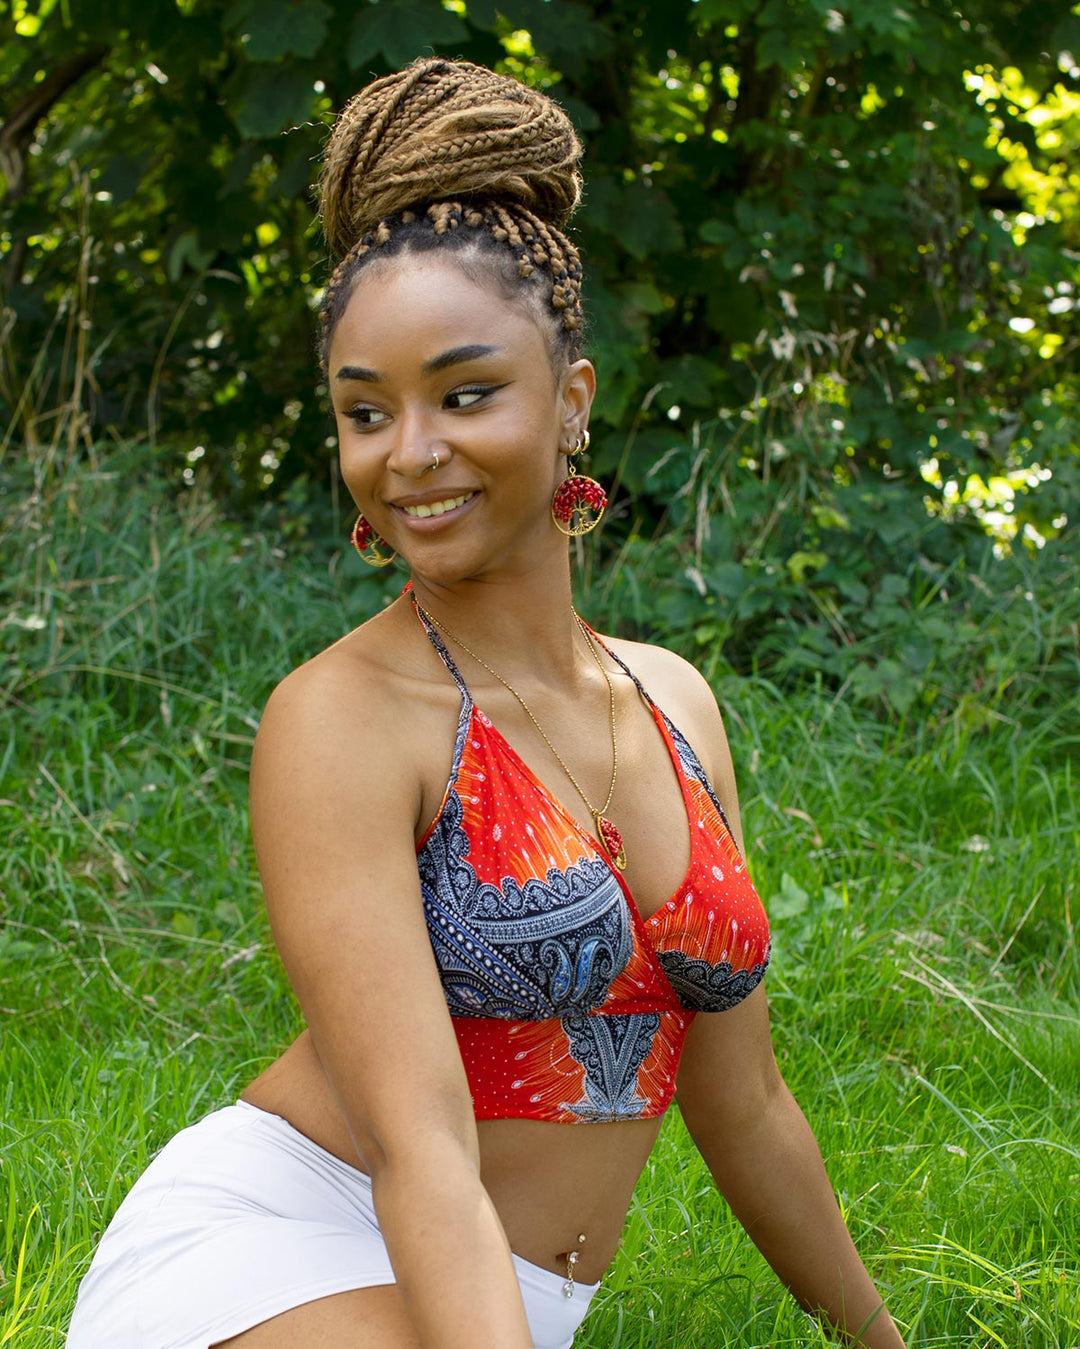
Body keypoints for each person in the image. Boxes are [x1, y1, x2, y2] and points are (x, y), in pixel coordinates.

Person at [67, 57, 904, 1349]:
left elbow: (746, 1104)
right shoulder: (342, 717)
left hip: (495, 1297)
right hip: (293, 1249)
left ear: (570, 401)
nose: (410, 452)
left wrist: (884, 1341)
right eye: (365, 411)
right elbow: (420, 1149)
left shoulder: (674, 700)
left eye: (465, 394)